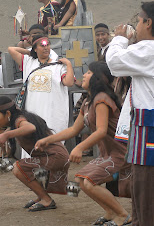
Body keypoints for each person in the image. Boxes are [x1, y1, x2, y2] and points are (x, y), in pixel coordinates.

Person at [35, 61, 132, 226]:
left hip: (119, 152)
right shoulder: (88, 101)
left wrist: (79, 147)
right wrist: (47, 139)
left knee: (89, 181)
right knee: (81, 180)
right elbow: (73, 130)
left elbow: (101, 130)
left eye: (88, 72)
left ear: (98, 78)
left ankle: (123, 216)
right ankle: (110, 212)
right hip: (108, 153)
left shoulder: (102, 99)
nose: (84, 75)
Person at [106, 1, 154, 226]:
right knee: (141, 179)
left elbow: (114, 63)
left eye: (139, 20)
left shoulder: (148, 50)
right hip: (144, 123)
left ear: (148, 22)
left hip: (149, 126)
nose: (137, 24)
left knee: (146, 181)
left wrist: (119, 37)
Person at [0, 96, 70, 211]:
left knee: (19, 168)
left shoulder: (20, 120)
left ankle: (46, 200)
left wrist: (6, 135)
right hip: (56, 156)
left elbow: (30, 128)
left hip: (55, 157)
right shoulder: (16, 122)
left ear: (7, 113)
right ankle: (41, 197)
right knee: (27, 167)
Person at [9, 34, 74, 158]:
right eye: (42, 45)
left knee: (52, 142)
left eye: (48, 45)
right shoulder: (29, 62)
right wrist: (30, 53)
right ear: (35, 48)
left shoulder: (59, 65)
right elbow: (11, 49)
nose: (46, 48)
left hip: (53, 112)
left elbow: (69, 82)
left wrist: (69, 65)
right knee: (31, 139)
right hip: (33, 110)